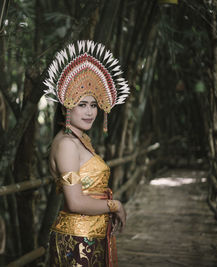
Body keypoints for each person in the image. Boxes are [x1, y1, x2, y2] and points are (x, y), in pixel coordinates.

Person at [43, 40, 130, 267]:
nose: (90, 111)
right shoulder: (67, 146)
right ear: (65, 107)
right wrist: (115, 205)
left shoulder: (80, 140)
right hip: (78, 243)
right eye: (82, 104)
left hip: (91, 237)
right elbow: (75, 201)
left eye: (93, 104)